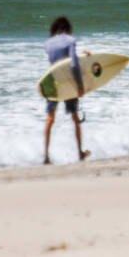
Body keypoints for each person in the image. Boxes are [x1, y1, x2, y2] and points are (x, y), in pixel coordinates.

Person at [43, 16, 91, 165]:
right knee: (74, 117)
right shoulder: (70, 40)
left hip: (52, 80)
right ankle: (80, 153)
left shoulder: (47, 43)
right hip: (67, 83)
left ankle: (46, 155)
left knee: (50, 118)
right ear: (67, 28)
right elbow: (73, 65)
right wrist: (79, 84)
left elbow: (58, 62)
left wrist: (82, 56)